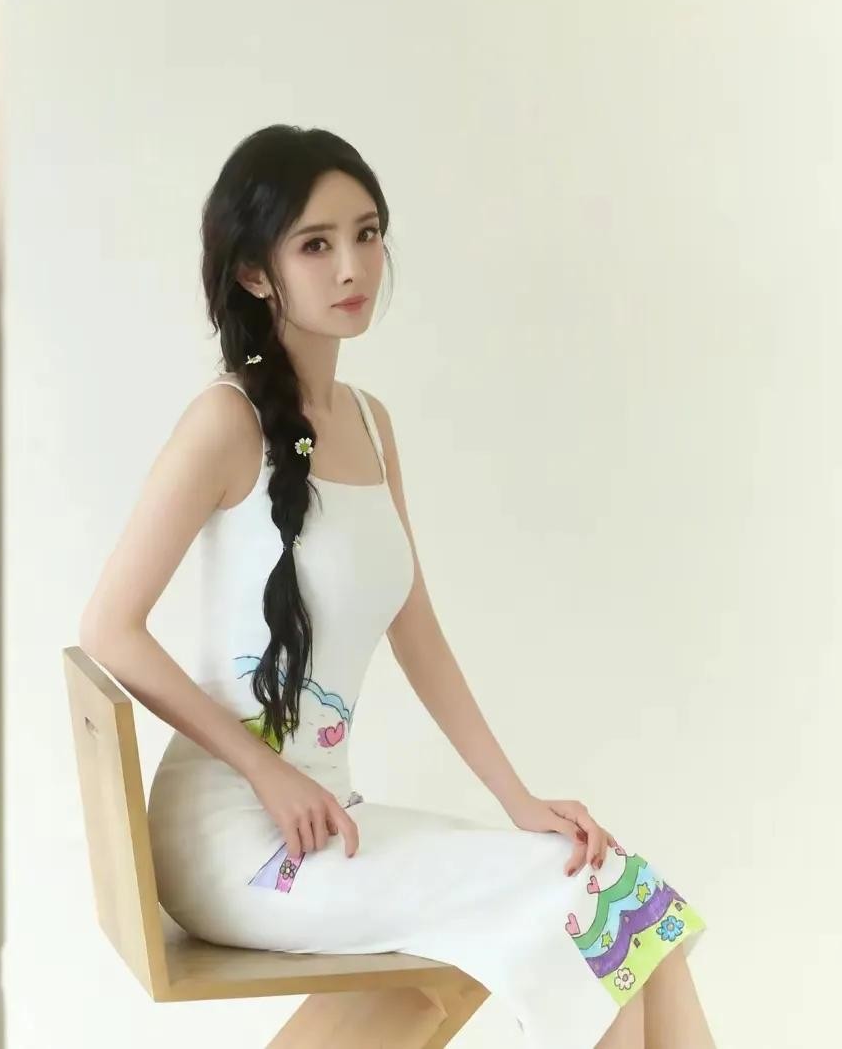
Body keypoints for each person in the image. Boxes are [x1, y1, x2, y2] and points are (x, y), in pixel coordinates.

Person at [79, 124, 714, 1048]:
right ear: (255, 273)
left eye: (367, 233)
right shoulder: (224, 423)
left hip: (333, 823)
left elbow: (419, 634)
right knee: (581, 914)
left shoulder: (371, 425)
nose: (353, 267)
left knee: (627, 896)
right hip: (234, 841)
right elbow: (110, 628)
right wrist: (265, 770)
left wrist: (518, 799)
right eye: (315, 244)